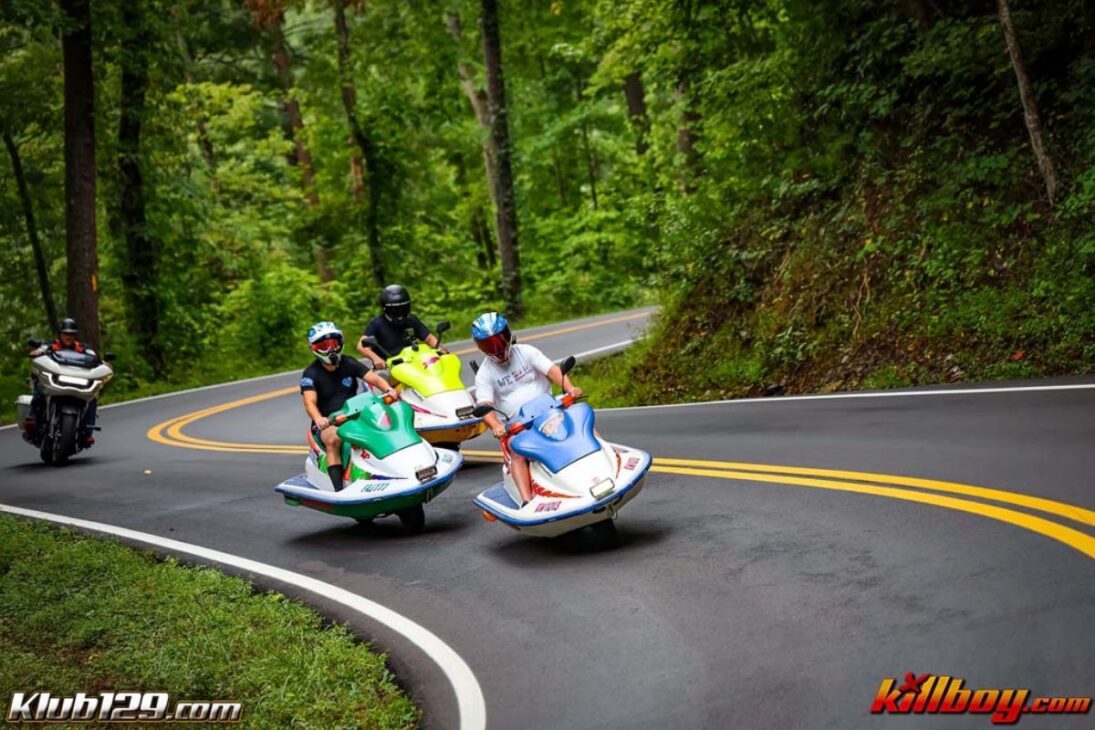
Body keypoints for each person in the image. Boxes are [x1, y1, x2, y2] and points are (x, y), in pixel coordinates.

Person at [471, 312, 581, 506]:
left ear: (507, 335)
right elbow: (484, 404)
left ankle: (609, 459)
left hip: (550, 410)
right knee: (517, 450)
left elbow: (552, 370)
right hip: (519, 425)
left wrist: (569, 388)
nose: (496, 348)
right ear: (480, 347)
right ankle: (526, 500)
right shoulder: (484, 374)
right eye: (489, 344)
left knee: (580, 422)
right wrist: (496, 425)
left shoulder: (526, 351)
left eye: (499, 340)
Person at [300, 321, 395, 491]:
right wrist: (318, 419)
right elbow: (309, 402)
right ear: (314, 348)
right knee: (334, 439)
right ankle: (339, 489)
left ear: (341, 342)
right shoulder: (310, 373)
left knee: (385, 424)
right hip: (329, 422)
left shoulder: (348, 362)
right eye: (324, 345)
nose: (330, 350)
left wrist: (388, 388)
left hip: (355, 413)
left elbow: (373, 378)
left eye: (334, 343)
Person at [26, 317, 98, 446]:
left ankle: (87, 433)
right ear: (60, 334)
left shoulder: (83, 348)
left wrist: (100, 361)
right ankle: (32, 419)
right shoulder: (51, 345)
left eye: (71, 334)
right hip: (55, 382)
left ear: (75, 335)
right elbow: (41, 350)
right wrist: (37, 352)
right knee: (41, 389)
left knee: (92, 397)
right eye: (66, 333)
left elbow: (93, 356)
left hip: (76, 384)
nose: (68, 337)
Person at [356, 284, 445, 373]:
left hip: (414, 364)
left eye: (403, 308)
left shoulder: (412, 320)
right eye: (395, 309)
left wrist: (440, 348)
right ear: (385, 308)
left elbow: (429, 338)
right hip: (388, 367)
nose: (400, 313)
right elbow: (361, 346)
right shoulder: (377, 323)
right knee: (381, 377)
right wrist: (376, 359)